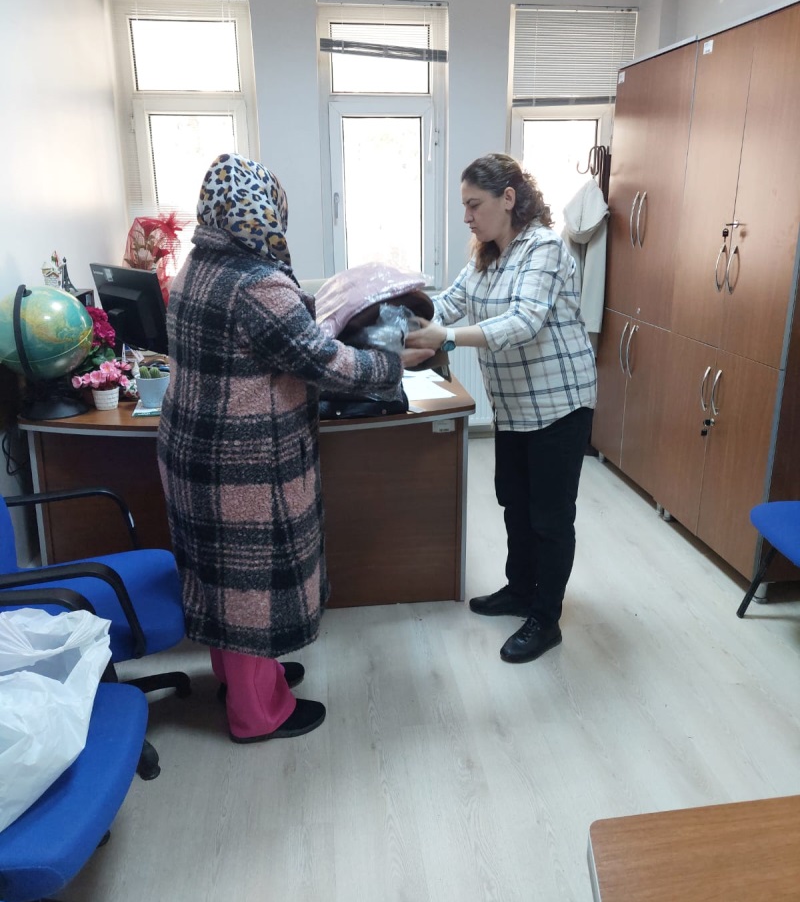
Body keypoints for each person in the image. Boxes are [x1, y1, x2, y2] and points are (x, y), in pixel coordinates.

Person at [157, 153, 433, 743]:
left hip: (195, 451)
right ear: (263, 211)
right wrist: (391, 363)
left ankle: (244, 680)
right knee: (252, 587)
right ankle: (258, 713)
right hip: (244, 463)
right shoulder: (257, 283)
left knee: (225, 581)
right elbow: (324, 363)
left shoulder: (195, 266)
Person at [406, 152, 596, 663]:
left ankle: (545, 618)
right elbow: (447, 303)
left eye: (474, 204)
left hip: (559, 405)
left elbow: (523, 321)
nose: (466, 216)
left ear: (508, 198)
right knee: (514, 502)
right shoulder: (486, 255)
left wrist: (445, 338)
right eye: (464, 206)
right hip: (514, 407)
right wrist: (401, 315)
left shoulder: (544, 248)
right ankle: (519, 590)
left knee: (549, 517)